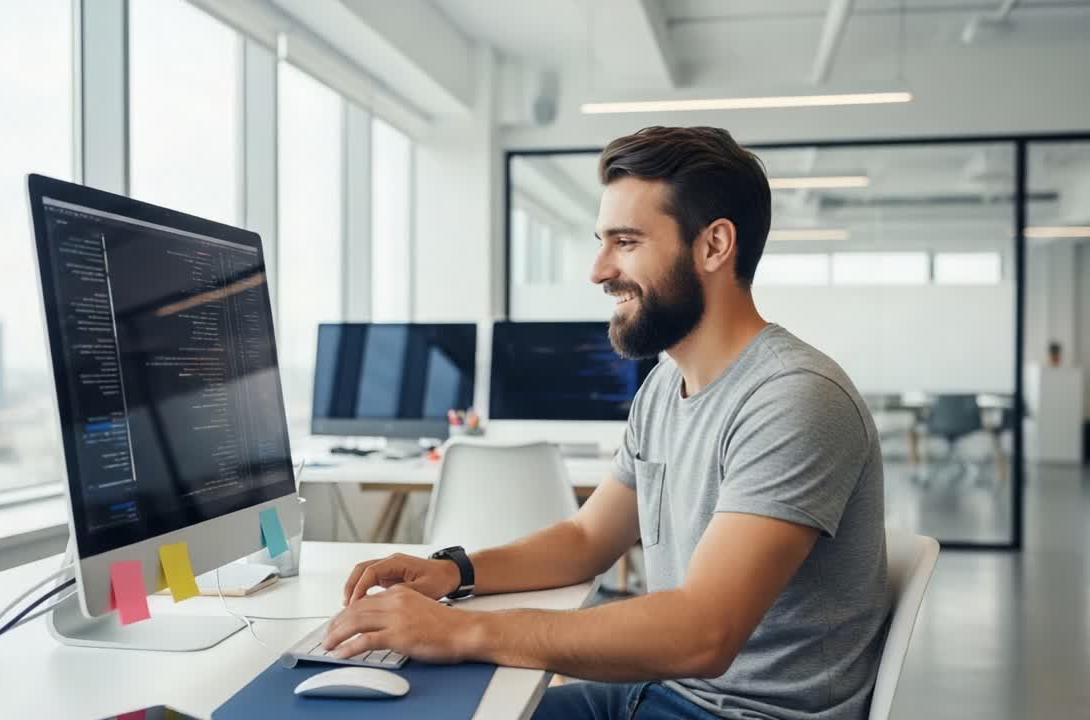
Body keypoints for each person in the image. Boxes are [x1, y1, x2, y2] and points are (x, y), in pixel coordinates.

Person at [322, 126, 888, 720]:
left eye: (625, 241)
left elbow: (704, 633)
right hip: (667, 693)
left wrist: (461, 634)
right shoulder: (666, 386)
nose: (597, 270)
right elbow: (586, 540)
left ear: (715, 246)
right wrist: (453, 572)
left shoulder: (794, 399)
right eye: (601, 241)